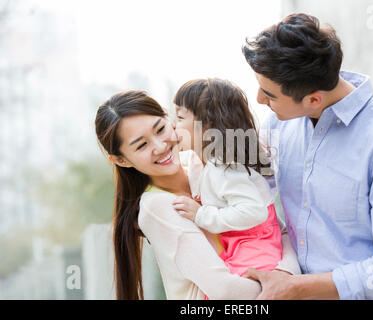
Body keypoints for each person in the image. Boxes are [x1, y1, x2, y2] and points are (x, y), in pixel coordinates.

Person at [241, 13, 373, 299]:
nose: (259, 100)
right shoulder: (278, 124)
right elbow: (254, 193)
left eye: (269, 94)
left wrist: (296, 288)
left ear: (313, 99)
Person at [94, 90, 300, 300]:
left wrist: (286, 275)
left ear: (170, 119)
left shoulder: (207, 165)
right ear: (121, 160)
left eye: (161, 129)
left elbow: (276, 228)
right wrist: (290, 286)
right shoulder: (157, 206)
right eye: (142, 145)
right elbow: (225, 291)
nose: (160, 146)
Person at [171, 78, 285, 278]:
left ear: (207, 124)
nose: (172, 125)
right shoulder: (208, 163)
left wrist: (201, 215)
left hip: (255, 251)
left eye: (180, 117)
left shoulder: (223, 168)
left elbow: (253, 211)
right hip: (242, 246)